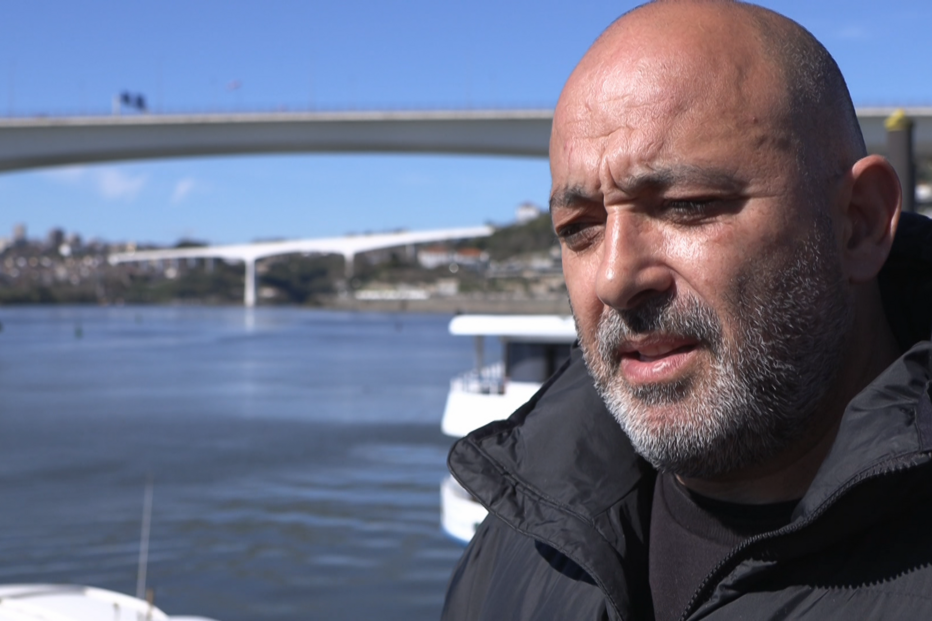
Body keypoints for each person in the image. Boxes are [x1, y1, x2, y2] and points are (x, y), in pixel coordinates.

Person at [441, 1, 932, 619]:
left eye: (686, 205)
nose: (617, 278)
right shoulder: (521, 542)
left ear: (857, 225)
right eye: (579, 230)